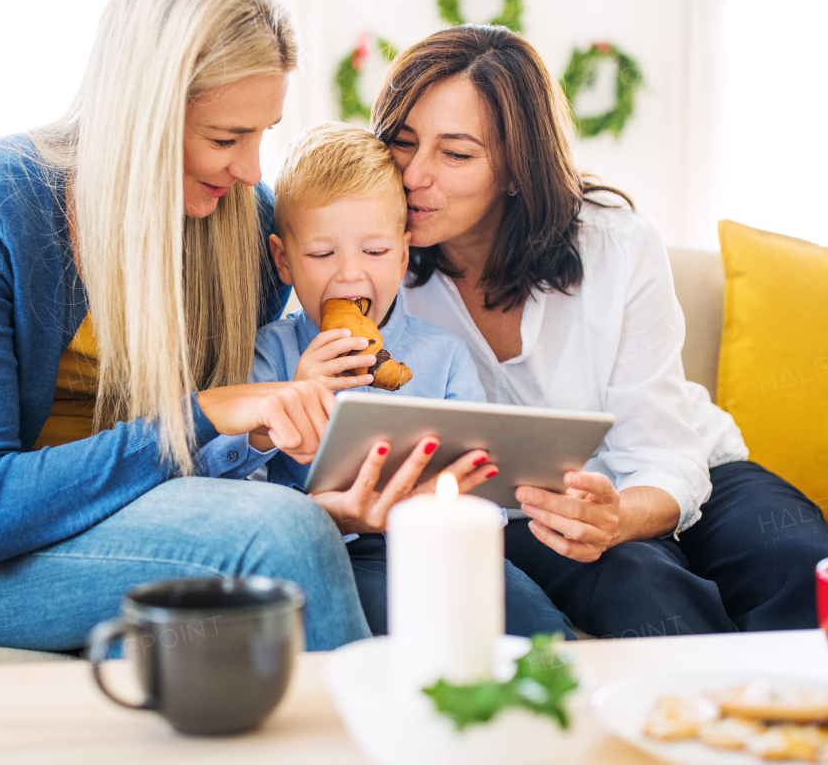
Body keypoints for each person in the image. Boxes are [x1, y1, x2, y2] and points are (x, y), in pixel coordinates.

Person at [0, 0, 448, 654]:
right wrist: (199, 415)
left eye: (262, 135)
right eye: (225, 138)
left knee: (280, 543)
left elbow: (235, 463)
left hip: (137, 514)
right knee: (280, 535)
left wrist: (307, 484)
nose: (250, 169)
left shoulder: (247, 222)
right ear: (145, 115)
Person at [372, 25, 828, 638]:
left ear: (517, 169)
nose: (414, 176)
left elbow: (665, 453)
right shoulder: (376, 263)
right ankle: (700, 725)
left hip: (684, 467)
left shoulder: (614, 239)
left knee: (803, 570)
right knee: (641, 588)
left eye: (456, 154)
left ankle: (816, 727)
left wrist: (621, 515)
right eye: (403, 143)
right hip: (535, 503)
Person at [197, 122, 575, 638]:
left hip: (437, 540)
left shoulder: (443, 354)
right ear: (284, 260)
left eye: (374, 253)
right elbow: (224, 483)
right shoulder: (272, 353)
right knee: (385, 618)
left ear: (402, 254)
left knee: (538, 626)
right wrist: (284, 408)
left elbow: (484, 478)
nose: (350, 275)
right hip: (331, 549)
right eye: (321, 254)